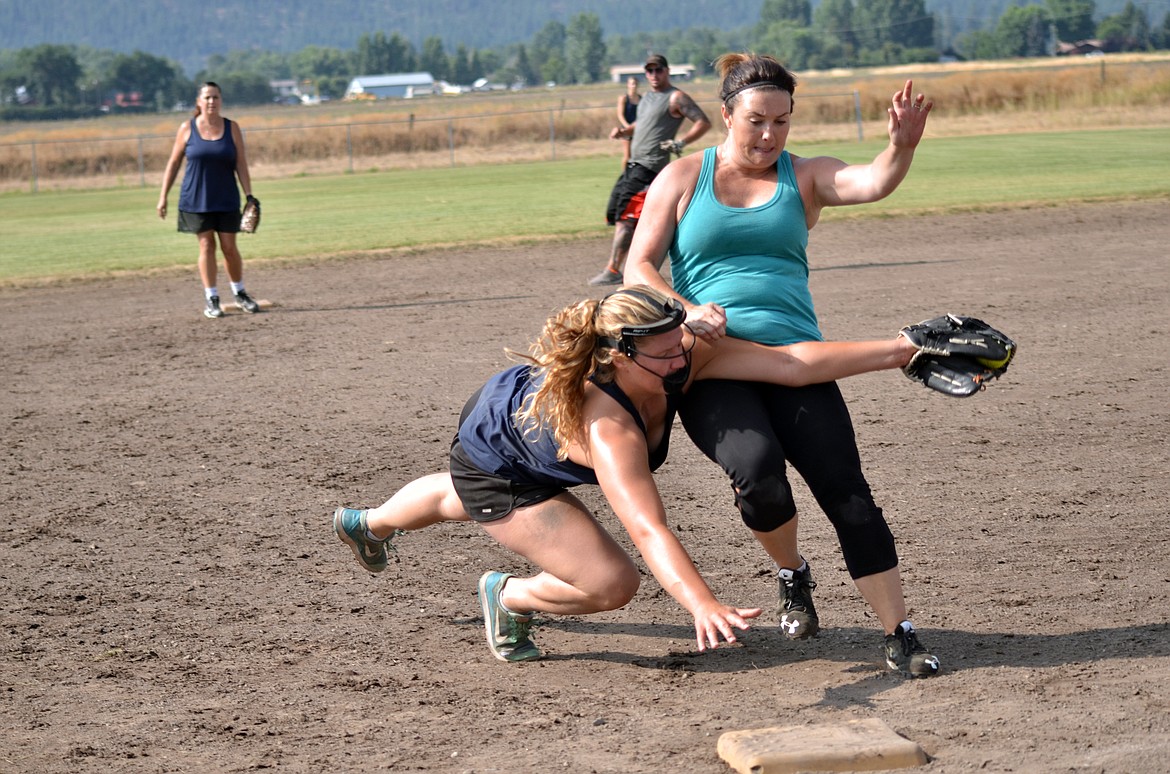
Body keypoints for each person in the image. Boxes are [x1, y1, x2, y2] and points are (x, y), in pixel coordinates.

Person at [332, 286, 927, 663]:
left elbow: (792, 364)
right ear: (619, 356)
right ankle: (508, 595)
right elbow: (647, 528)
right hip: (501, 463)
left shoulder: (675, 350)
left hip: (513, 434)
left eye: (681, 346)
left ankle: (370, 523)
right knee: (611, 585)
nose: (681, 359)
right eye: (665, 354)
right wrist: (701, 603)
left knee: (452, 495)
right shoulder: (608, 426)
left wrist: (899, 349)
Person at [624, 53, 941, 677]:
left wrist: (900, 148)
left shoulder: (806, 175)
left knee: (847, 494)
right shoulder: (683, 176)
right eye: (755, 121)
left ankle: (898, 631)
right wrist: (685, 310)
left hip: (798, 358)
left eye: (781, 122)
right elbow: (637, 269)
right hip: (715, 366)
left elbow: (871, 181)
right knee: (758, 473)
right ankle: (793, 572)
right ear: (725, 116)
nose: (768, 135)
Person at [588, 55, 711, 286]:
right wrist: (625, 132)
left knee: (627, 218)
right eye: (650, 71)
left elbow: (703, 122)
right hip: (634, 165)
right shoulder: (647, 99)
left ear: (667, 71)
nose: (654, 75)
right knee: (617, 213)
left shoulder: (675, 97)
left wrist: (681, 143)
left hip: (650, 167)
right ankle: (641, 262)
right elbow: (642, 124)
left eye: (658, 70)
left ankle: (614, 269)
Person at [157, 82, 262, 319]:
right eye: (207, 98)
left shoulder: (232, 127)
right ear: (199, 102)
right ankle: (212, 298)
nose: (211, 102)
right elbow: (173, 164)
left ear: (221, 100)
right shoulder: (187, 128)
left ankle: (240, 293)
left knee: (229, 248)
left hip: (226, 197)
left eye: (215, 97)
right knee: (206, 246)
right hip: (196, 198)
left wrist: (249, 196)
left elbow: (241, 163)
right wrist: (163, 196)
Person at [616, 76, 641, 169]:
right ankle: (624, 176)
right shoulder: (624, 98)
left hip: (638, 130)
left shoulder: (640, 98)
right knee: (627, 156)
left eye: (635, 84)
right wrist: (627, 127)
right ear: (628, 85)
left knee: (638, 155)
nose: (633, 86)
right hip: (626, 130)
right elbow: (620, 115)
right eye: (631, 84)